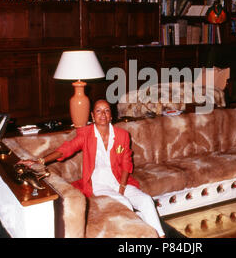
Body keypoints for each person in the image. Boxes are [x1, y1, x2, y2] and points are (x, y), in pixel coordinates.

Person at [20, 99, 165, 238]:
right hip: (97, 184)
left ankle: (161, 237)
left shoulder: (122, 135)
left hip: (119, 180)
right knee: (124, 203)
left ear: (111, 115)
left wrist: (122, 185)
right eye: (99, 111)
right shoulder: (86, 134)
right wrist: (39, 161)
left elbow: (127, 162)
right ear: (93, 116)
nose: (103, 114)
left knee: (146, 200)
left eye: (106, 111)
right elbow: (66, 149)